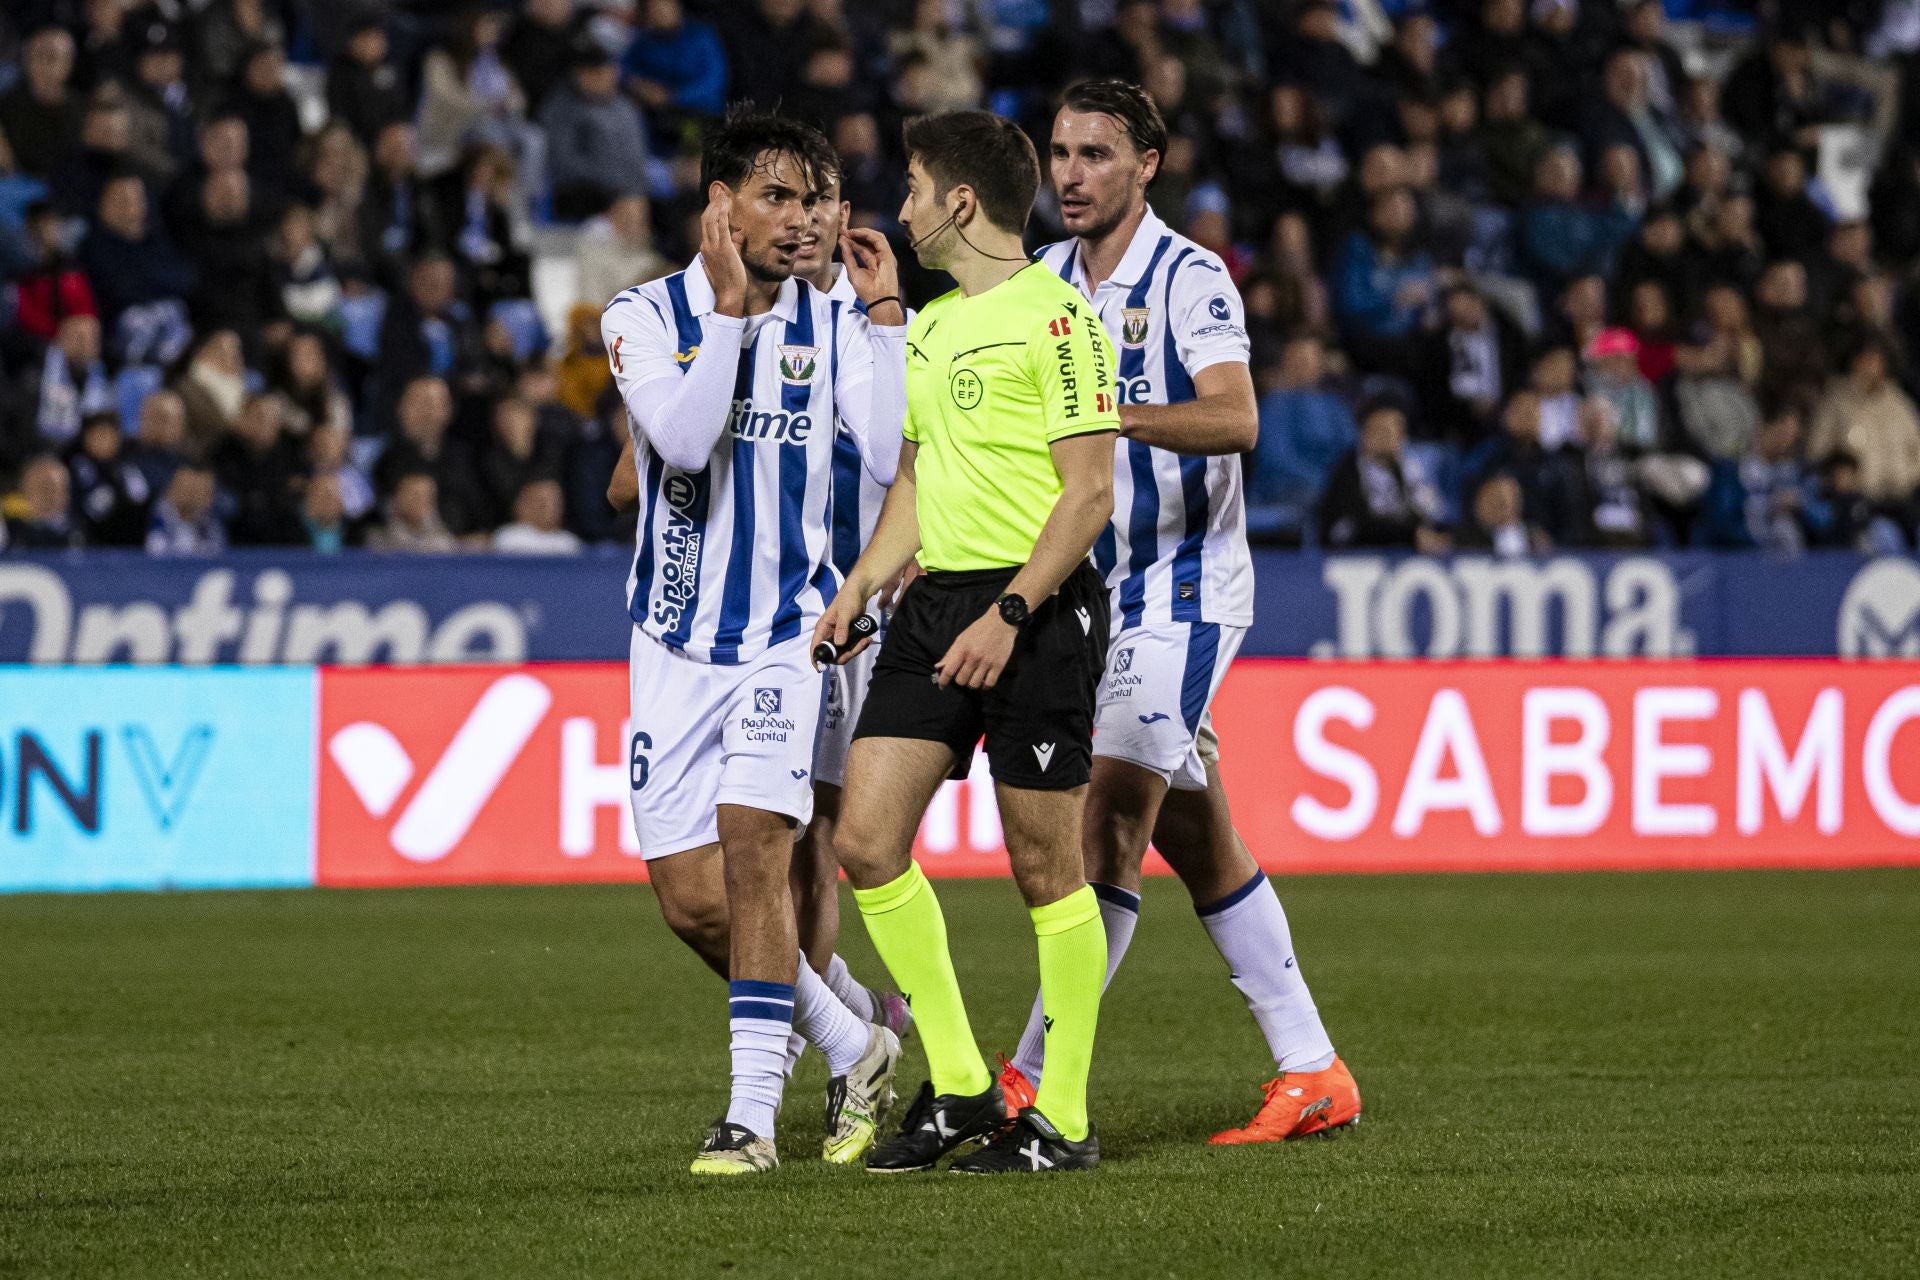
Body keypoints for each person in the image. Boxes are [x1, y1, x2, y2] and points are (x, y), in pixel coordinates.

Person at [1005, 79, 1360, 1146]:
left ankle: (1031, 1076)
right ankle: (1313, 1068)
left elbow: (1237, 416)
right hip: (1091, 592)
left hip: (1185, 587)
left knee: (1108, 812)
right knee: (1196, 830)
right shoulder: (1042, 281)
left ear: (1146, 163)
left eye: (1095, 154)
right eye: (1060, 153)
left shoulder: (1189, 275)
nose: (1069, 174)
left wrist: (1115, 411)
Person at [602, 109, 908, 1176]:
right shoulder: (638, 316)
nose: (803, 218)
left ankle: (749, 1118)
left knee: (759, 853)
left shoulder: (832, 324)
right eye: (777, 196)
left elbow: (885, 450)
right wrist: (731, 315)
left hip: (792, 633)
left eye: (816, 198)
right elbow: (681, 443)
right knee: (693, 902)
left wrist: (885, 318)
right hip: (672, 645)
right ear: (718, 207)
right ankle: (852, 1033)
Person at [813, 108, 1119, 1175]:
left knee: (1045, 865)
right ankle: (960, 1084)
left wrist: (1014, 612)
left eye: (911, 187)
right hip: (936, 603)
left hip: (1037, 608)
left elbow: (1088, 494)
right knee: (865, 840)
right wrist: (860, 582)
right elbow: (913, 474)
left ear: (960, 201)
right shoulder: (934, 325)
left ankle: (1065, 1117)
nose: (898, 207)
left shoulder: (1061, 317)